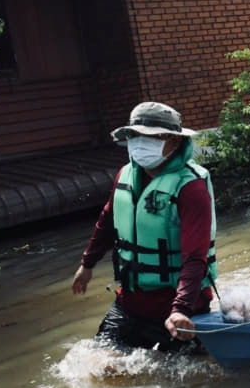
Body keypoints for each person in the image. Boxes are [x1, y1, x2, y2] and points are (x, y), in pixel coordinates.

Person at [71, 101, 217, 352]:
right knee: (97, 365)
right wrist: (87, 264)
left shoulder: (191, 188)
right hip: (130, 303)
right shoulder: (125, 175)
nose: (139, 142)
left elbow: (195, 257)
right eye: (134, 135)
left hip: (176, 309)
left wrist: (180, 310)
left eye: (150, 137)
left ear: (173, 141)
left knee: (197, 377)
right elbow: (107, 221)